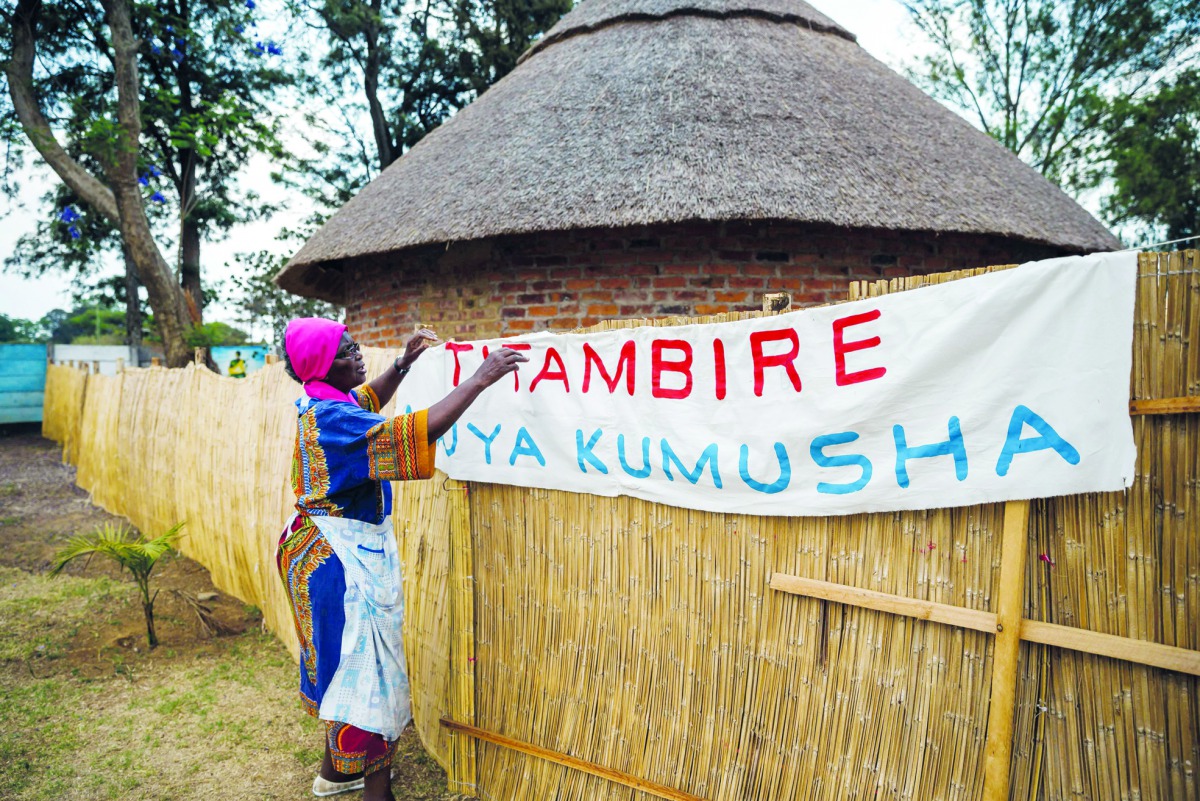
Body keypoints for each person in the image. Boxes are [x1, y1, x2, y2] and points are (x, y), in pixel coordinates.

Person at [276, 317, 526, 801]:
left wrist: (403, 363)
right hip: (337, 565)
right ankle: (376, 793)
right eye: (348, 351)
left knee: (345, 667)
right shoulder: (334, 421)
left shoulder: (324, 400)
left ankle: (334, 774)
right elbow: (412, 431)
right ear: (326, 366)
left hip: (318, 551)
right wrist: (480, 378)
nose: (358, 355)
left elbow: (365, 399)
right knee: (364, 670)